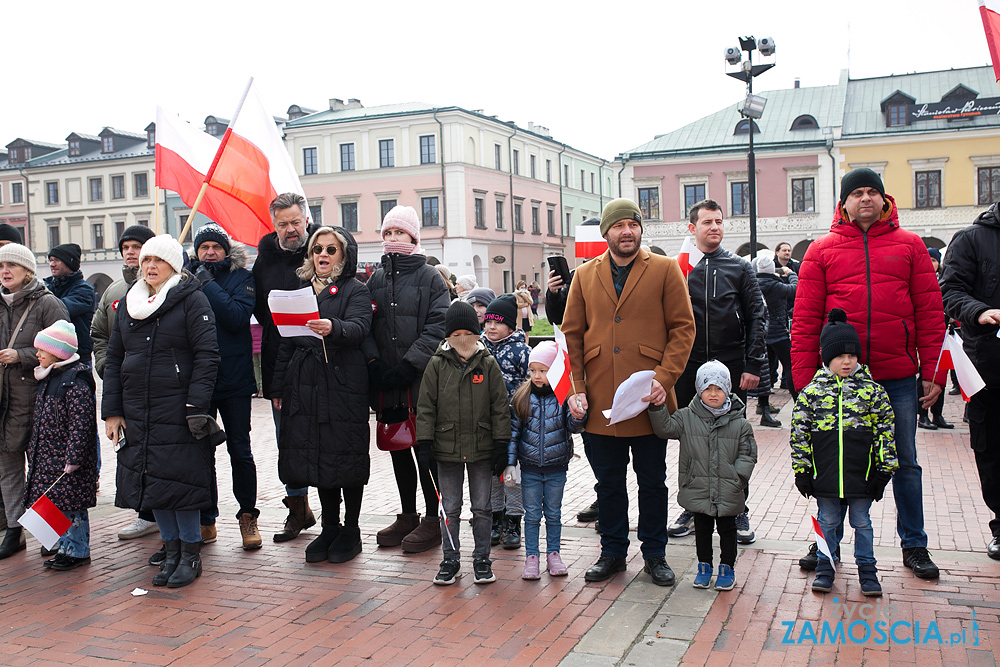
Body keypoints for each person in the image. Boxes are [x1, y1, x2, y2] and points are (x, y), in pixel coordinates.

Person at [791, 168, 946, 579]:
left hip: (895, 376)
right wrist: (807, 381)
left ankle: (914, 545)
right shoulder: (821, 251)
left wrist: (932, 371)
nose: (865, 199)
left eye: (872, 192)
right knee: (833, 459)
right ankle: (827, 543)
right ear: (843, 203)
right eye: (856, 193)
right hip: (839, 382)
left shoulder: (911, 246)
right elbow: (805, 321)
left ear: (884, 199)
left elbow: (931, 314)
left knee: (905, 462)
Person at [561, 198, 696, 586]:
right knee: (608, 484)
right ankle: (613, 552)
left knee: (652, 482)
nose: (627, 232)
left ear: (640, 229)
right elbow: (573, 335)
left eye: (633, 225)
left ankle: (654, 554)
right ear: (606, 233)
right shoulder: (585, 275)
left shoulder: (666, 269)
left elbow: (683, 329)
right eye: (619, 226)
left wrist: (664, 379)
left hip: (649, 399)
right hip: (601, 401)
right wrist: (578, 388)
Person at [102, 235, 220, 588]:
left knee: (180, 483)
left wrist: (196, 404)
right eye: (146, 260)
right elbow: (114, 358)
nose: (150, 266)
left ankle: (190, 553)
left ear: (173, 266)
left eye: (158, 260)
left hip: (179, 407)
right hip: (138, 409)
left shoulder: (191, 299)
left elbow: (207, 356)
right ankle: (170, 552)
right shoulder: (129, 304)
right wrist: (113, 411)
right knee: (154, 483)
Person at [271, 226, 372, 564]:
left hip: (343, 384)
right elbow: (286, 340)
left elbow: (360, 327)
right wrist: (278, 387)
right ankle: (329, 527)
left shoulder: (355, 290)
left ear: (344, 256)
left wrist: (334, 327)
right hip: (306, 384)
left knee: (346, 457)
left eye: (331, 250)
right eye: (318, 250)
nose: (323, 255)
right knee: (320, 457)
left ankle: (351, 529)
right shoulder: (299, 291)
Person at [668, 199, 766, 544]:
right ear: (692, 228)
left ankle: (737, 509)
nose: (715, 227)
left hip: (731, 363)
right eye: (707, 221)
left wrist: (753, 364)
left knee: (732, 439)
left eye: (719, 221)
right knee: (691, 440)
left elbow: (757, 316)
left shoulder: (739, 267)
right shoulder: (679, 268)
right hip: (688, 363)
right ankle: (694, 508)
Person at [791, 309, 897, 596]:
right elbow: (799, 433)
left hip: (861, 475)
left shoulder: (872, 391)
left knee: (862, 523)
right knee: (827, 520)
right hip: (825, 475)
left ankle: (868, 572)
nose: (847, 361)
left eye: (851, 356)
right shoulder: (812, 392)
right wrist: (802, 470)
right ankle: (825, 567)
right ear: (827, 358)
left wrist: (884, 471)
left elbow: (886, 432)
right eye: (840, 356)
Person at [364, 205, 450, 554]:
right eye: (388, 233)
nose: (392, 239)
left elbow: (439, 323)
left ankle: (433, 517)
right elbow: (365, 321)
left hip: (421, 381)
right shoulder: (376, 279)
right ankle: (408, 514)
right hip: (389, 382)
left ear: (413, 237)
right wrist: (374, 362)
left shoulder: (431, 277)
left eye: (399, 233)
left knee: (424, 450)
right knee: (397, 446)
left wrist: (411, 363)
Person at [416, 300, 511, 585]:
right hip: (447, 448)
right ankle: (450, 558)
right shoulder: (436, 365)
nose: (462, 340)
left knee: (482, 508)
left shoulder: (489, 364)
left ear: (477, 333)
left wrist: (501, 443)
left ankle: (482, 558)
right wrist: (425, 443)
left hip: (481, 448)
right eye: (455, 334)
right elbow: (426, 407)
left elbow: (499, 406)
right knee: (451, 508)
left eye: (467, 333)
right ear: (447, 336)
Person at [648, 360, 757, 591]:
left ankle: (727, 568)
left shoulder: (740, 423)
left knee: (727, 530)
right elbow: (665, 428)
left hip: (729, 488)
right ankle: (704, 566)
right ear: (699, 390)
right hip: (698, 486)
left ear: (727, 389)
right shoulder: (687, 416)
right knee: (703, 530)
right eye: (708, 389)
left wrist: (738, 478)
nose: (713, 394)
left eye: (719, 388)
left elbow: (748, 454)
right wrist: (657, 407)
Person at [187, 224, 261, 550]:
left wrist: (208, 283)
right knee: (201, 452)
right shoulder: (185, 279)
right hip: (199, 381)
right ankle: (206, 519)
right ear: (197, 251)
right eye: (204, 247)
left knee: (240, 451)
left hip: (235, 379)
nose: (210, 252)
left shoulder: (242, 278)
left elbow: (235, 317)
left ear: (226, 250)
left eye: (216, 247)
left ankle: (248, 517)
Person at [253, 193, 320, 543]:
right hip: (280, 360)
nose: (290, 230)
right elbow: (262, 314)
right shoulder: (263, 261)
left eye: (295, 222)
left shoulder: (323, 249)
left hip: (320, 359)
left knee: (323, 436)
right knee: (287, 439)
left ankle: (333, 516)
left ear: (306, 219)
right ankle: (297, 509)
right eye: (283, 224)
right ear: (274, 225)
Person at [0, 243, 70, 560]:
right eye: (1, 266)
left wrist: (22, 356)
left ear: (27, 270)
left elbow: (66, 346)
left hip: (39, 400)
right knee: (8, 468)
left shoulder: (47, 304)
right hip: (4, 402)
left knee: (44, 469)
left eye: (12, 265)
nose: (5, 271)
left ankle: (50, 532)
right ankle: (14, 531)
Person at [91, 224, 159, 541]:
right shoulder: (114, 292)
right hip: (125, 386)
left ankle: (170, 516)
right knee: (132, 451)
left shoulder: (163, 286)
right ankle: (144, 513)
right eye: (126, 247)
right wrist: (106, 366)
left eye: (137, 246)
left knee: (161, 452)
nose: (130, 252)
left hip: (158, 387)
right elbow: (100, 335)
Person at [940, 201, 1000, 559]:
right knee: (992, 451)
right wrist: (979, 312)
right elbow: (951, 292)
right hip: (989, 368)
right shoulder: (972, 239)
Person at [505, 341, 586, 579]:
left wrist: (579, 414)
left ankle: (554, 554)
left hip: (556, 467)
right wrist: (510, 463)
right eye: (533, 371)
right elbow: (513, 434)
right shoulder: (522, 398)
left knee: (553, 513)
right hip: (529, 468)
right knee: (531, 515)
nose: (537, 376)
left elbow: (573, 427)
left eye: (543, 371)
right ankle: (532, 557)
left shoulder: (563, 398)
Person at [25, 320, 98, 571]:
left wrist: (74, 457)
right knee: (56, 504)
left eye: (41, 351)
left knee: (72, 507)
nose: (37, 355)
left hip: (67, 460)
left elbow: (81, 424)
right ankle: (64, 547)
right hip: (49, 456)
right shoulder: (49, 378)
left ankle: (77, 551)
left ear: (57, 353)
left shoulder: (74, 382)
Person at [481, 294, 530, 549]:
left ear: (510, 326)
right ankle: (495, 519)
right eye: (488, 321)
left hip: (513, 423)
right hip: (485, 423)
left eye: (498, 322)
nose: (491, 327)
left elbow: (530, 385)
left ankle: (513, 521)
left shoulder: (522, 351)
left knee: (511, 475)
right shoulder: (479, 348)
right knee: (491, 473)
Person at [753, 254, 798, 406]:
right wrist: (791, 274)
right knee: (789, 365)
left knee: (766, 371)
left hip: (763, 333)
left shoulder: (755, 284)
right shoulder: (775, 284)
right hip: (778, 333)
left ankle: (762, 405)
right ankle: (797, 400)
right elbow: (795, 288)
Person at [917, 248, 952, 430]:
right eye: (928, 259)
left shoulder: (945, 281)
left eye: (934, 260)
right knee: (925, 375)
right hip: (927, 336)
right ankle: (923, 415)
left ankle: (937, 414)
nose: (931, 263)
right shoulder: (919, 279)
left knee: (941, 375)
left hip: (945, 332)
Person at [45, 243, 96, 365]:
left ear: (69, 262)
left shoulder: (84, 290)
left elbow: (59, 310)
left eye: (57, 260)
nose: (52, 264)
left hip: (78, 358)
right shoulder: (48, 287)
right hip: (50, 355)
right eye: (51, 260)